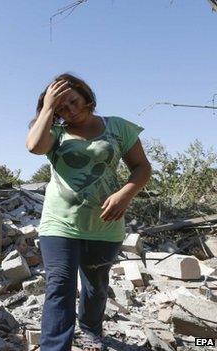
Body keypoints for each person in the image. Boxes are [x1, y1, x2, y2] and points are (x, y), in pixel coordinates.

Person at [25, 73, 152, 351]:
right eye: (61, 108)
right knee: (60, 286)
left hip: (105, 226)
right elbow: (34, 146)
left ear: (85, 95)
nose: (70, 110)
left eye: (72, 101)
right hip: (59, 224)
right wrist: (48, 107)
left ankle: (90, 329)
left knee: (95, 287)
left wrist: (125, 194)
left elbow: (142, 167)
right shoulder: (54, 134)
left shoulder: (117, 127)